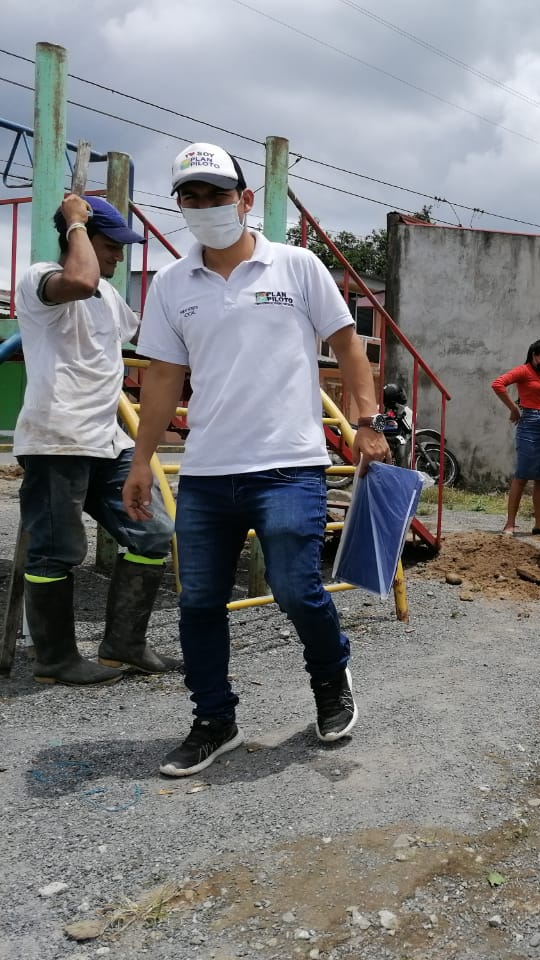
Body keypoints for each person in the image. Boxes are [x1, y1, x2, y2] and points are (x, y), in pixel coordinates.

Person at [122, 142, 391, 778]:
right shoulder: (171, 285)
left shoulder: (297, 266)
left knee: (296, 588)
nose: (205, 207)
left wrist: (366, 423)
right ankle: (215, 720)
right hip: (207, 471)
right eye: (191, 197)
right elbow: (162, 378)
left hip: (289, 464)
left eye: (217, 194)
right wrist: (140, 460)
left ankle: (331, 678)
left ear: (245, 200)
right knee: (198, 602)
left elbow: (349, 348)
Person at [13, 194, 179, 686]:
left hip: (107, 441)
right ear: (78, 238)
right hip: (57, 440)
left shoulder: (107, 296)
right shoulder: (41, 280)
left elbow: (149, 336)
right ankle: (55, 659)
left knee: (153, 532)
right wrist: (75, 221)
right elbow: (80, 280)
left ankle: (123, 643)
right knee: (57, 550)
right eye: (111, 246)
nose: (119, 257)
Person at [490, 338, 540, 537]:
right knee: (522, 474)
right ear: (534, 355)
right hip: (530, 423)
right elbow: (498, 384)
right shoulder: (524, 371)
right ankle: (510, 523)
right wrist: (514, 408)